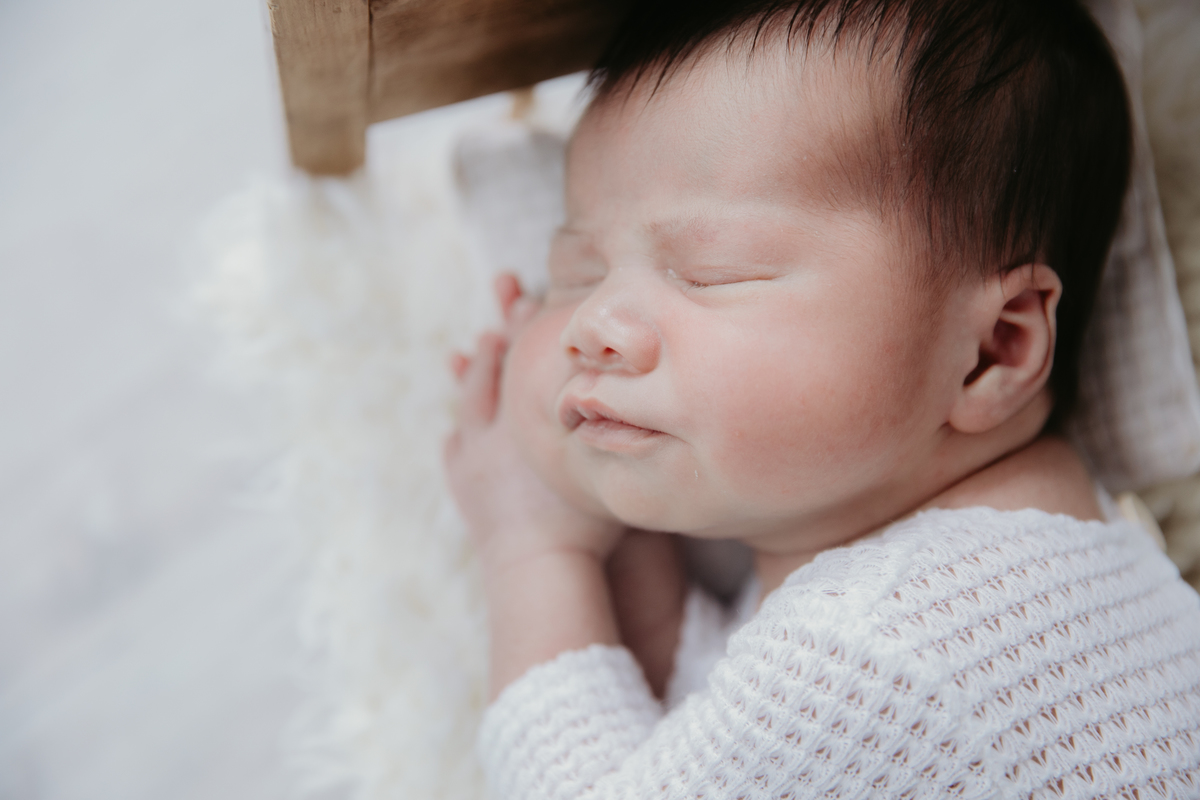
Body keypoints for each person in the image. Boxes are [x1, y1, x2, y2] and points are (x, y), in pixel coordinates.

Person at [443, 0, 1200, 796]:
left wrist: (531, 550)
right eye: (575, 275)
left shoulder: (881, 647)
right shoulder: (1027, 564)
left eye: (712, 272)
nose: (592, 323)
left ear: (989, 353)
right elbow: (710, 712)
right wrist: (608, 527)